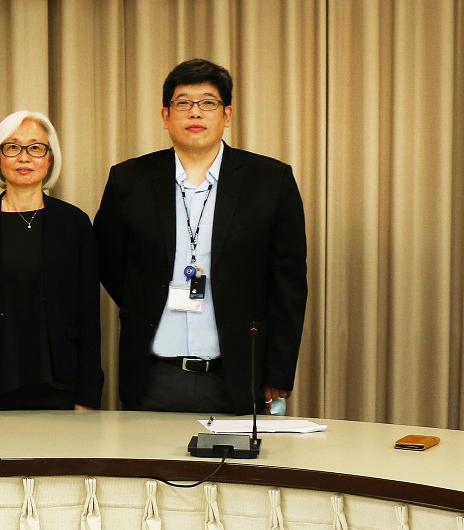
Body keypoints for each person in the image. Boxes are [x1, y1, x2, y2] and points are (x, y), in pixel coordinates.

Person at [94, 59, 308, 414]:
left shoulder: (271, 181)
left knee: (234, 470)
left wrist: (278, 372)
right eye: (183, 103)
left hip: (238, 374)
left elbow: (288, 285)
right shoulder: (128, 179)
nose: (196, 112)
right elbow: (109, 261)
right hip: (154, 375)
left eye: (208, 102)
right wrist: (147, 295)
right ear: (166, 116)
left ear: (226, 115)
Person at [0, 111, 102, 412]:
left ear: (50, 159)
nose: (24, 157)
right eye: (12, 147)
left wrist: (88, 395)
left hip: (58, 382)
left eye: (36, 148)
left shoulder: (74, 224)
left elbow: (89, 314)